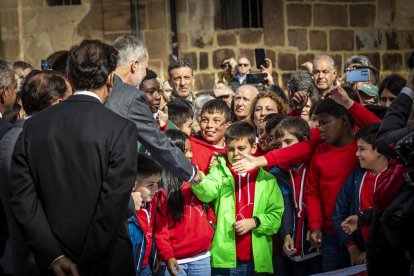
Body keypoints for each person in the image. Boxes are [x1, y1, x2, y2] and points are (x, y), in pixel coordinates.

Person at [10, 39, 138, 275]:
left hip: (55, 266)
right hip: (107, 263)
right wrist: (87, 263)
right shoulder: (120, 129)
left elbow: (23, 199)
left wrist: (54, 256)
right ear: (110, 79)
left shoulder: (33, 128)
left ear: (68, 74)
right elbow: (113, 204)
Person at [105, 35, 201, 184]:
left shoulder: (98, 85)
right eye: (145, 68)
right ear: (134, 65)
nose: (144, 73)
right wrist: (191, 172)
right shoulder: (131, 96)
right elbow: (157, 142)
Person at [191, 122, 284, 275]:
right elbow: (206, 193)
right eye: (231, 149)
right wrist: (198, 179)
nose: (236, 154)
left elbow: (276, 216)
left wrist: (255, 221)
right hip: (224, 258)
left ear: (253, 148)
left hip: (255, 260)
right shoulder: (219, 172)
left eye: (241, 149)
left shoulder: (268, 180)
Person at [332, 123, 393, 267]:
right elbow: (338, 214)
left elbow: (393, 219)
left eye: (362, 149)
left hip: (390, 258)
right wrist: (352, 247)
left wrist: (374, 251)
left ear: (379, 149)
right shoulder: (356, 177)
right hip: (360, 257)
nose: (356, 154)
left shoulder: (395, 178)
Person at [155, 130, 214, 276]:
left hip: (202, 258)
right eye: (185, 151)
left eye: (190, 150)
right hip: (175, 262)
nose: (190, 155)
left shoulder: (197, 179)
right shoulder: (161, 189)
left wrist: (211, 223)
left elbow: (209, 204)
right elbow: (160, 230)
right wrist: (167, 255)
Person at [271, 116, 321, 276]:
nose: (283, 148)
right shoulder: (280, 173)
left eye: (288, 142)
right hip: (293, 244)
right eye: (279, 144)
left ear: (304, 142)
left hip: (317, 241)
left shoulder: (316, 164)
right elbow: (285, 207)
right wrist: (286, 235)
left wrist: (315, 227)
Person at [129, 153, 163, 275]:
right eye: (150, 185)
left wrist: (154, 257)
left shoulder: (150, 203)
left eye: (157, 184)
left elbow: (150, 233)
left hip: (145, 266)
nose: (156, 189)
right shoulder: (126, 213)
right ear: (133, 185)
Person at [189, 99, 232, 174]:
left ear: (228, 125)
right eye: (205, 120)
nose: (209, 125)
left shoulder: (232, 150)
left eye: (216, 121)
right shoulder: (190, 146)